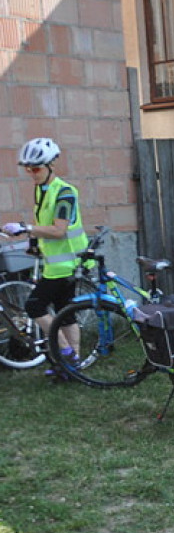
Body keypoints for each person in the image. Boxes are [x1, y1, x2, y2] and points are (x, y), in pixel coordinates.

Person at [2, 138, 86, 376]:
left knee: (34, 305)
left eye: (36, 168)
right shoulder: (42, 189)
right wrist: (34, 243)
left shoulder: (65, 193)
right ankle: (71, 367)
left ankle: (66, 352)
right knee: (64, 311)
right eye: (27, 168)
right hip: (55, 263)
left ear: (50, 165)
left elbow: (59, 230)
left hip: (68, 262)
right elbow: (44, 223)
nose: (31, 173)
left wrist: (24, 227)